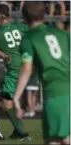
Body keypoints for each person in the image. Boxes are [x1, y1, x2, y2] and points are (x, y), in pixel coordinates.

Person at [13, 2, 70, 145]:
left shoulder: (29, 39)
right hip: (68, 86)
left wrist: (16, 97)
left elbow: (26, 69)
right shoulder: (62, 34)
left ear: (24, 17)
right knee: (64, 136)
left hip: (54, 92)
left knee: (53, 139)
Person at [0, 4, 30, 140]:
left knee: (6, 102)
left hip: (14, 70)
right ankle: (18, 131)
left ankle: (22, 133)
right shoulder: (21, 27)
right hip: (26, 67)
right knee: (13, 99)